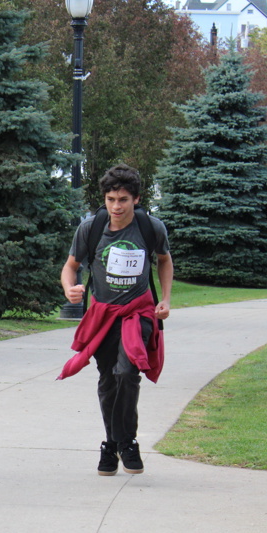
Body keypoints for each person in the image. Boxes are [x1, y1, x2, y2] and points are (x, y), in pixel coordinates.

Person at [58, 164, 173, 476]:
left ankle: (126, 442)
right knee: (109, 379)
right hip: (103, 315)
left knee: (127, 372)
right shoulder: (91, 228)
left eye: (123, 199)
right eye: (111, 199)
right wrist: (70, 288)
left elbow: (164, 260)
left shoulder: (150, 227)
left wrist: (165, 298)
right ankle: (113, 444)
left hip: (139, 313)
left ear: (136, 199)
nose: (116, 206)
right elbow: (70, 266)